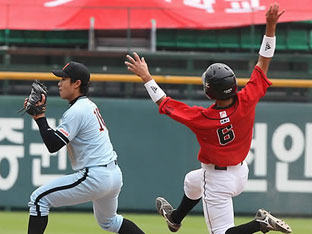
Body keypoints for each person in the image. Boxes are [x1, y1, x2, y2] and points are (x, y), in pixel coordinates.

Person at [125, 3, 292, 234]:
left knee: (221, 233)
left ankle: (260, 223)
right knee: (192, 182)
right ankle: (175, 218)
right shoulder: (247, 99)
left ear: (208, 92)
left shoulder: (202, 118)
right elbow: (264, 60)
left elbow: (164, 103)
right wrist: (271, 27)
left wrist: (146, 78)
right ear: (233, 85)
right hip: (240, 172)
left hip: (217, 180)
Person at [25, 61, 146, 234]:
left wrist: (40, 117)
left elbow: (53, 145)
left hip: (95, 176)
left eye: (63, 79)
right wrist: (40, 117)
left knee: (38, 200)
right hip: (113, 174)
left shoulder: (77, 110)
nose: (59, 83)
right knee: (110, 222)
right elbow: (55, 139)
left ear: (77, 83)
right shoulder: (87, 105)